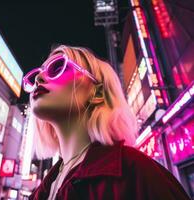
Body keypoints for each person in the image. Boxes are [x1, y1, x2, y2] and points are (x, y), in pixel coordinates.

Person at [22, 45, 191, 200]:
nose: (39, 78)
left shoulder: (137, 173)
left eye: (58, 67)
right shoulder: (42, 190)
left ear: (97, 93)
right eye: (37, 73)